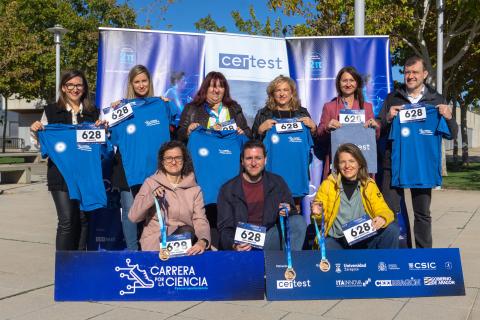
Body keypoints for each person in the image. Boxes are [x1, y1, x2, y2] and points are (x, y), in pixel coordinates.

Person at [377, 56, 458, 248]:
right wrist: (388, 117)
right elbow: (378, 128)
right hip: (394, 164)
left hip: (422, 165)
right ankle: (396, 257)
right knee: (391, 212)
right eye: (407, 72)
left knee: (422, 214)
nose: (410, 76)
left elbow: (452, 134)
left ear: (424, 74)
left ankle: (423, 257)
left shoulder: (436, 99)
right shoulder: (392, 97)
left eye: (414, 72)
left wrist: (448, 117)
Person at [30, 70, 101, 250]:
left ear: (84, 88)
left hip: (86, 175)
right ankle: (63, 268)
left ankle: (79, 263)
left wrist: (103, 129)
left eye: (79, 85)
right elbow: (40, 144)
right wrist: (36, 130)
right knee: (67, 220)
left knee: (84, 219)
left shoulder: (94, 113)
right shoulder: (51, 111)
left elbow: (101, 145)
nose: (74, 89)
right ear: (63, 88)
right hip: (60, 174)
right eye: (70, 85)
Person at [217, 140, 307, 251]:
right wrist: (234, 245)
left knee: (298, 221)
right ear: (242, 161)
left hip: (268, 239)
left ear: (265, 160)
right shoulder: (228, 189)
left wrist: (288, 211)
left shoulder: (277, 182)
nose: (254, 163)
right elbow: (225, 229)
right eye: (249, 158)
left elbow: (292, 213)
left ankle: (288, 266)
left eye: (258, 158)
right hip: (242, 244)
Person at [311, 143, 399, 249]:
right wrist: (317, 214)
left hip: (364, 238)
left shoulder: (369, 184)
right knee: (326, 245)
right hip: (337, 240)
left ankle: (385, 265)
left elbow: (384, 210)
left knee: (391, 229)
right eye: (343, 162)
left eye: (352, 161)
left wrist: (382, 217)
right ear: (337, 165)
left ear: (359, 163)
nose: (347, 166)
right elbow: (316, 221)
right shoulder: (328, 184)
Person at [128, 141, 210, 254]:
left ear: (184, 160)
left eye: (178, 158)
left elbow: (200, 220)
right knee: (187, 231)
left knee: (200, 243)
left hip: (186, 239)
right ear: (162, 161)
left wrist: (203, 241)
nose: (173, 161)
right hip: (157, 243)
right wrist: (151, 198)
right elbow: (133, 217)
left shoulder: (195, 189)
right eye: (168, 158)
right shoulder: (150, 183)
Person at [109, 64, 157, 251]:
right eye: (137, 81)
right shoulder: (121, 108)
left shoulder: (160, 105)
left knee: (153, 210)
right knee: (129, 210)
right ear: (131, 84)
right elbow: (111, 137)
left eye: (144, 80)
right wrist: (112, 113)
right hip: (126, 168)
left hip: (152, 168)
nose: (141, 85)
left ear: (149, 82)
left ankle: (151, 248)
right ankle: (132, 250)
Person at [317, 66, 379, 180]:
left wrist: (375, 128)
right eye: (344, 80)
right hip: (337, 163)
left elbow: (374, 138)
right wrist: (327, 127)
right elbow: (319, 134)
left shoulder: (367, 107)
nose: (348, 84)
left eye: (352, 80)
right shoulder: (329, 107)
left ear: (357, 83)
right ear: (338, 83)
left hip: (360, 163)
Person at [177, 71, 251, 142]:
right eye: (213, 86)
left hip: (229, 152)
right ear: (205, 88)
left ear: (225, 90)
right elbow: (178, 135)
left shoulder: (234, 108)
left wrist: (243, 133)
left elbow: (248, 133)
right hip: (203, 152)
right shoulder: (192, 108)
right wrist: (188, 131)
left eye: (220, 86)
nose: (216, 90)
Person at [252, 75, 316, 140]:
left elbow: (314, 143)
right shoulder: (263, 114)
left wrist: (314, 130)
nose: (282, 94)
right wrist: (259, 132)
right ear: (273, 95)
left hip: (297, 150)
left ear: (292, 94)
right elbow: (253, 142)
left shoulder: (302, 113)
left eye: (285, 90)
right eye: (278, 90)